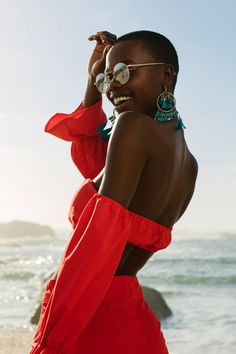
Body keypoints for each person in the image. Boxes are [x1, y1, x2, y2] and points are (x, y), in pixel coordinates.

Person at [30, 30, 198, 354]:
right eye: (109, 79)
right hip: (132, 323)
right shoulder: (188, 164)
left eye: (124, 71)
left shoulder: (133, 127)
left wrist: (48, 344)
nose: (113, 87)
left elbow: (96, 245)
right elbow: (92, 160)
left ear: (165, 74)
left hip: (95, 321)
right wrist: (93, 81)